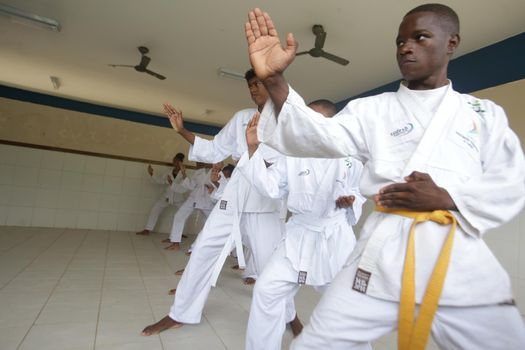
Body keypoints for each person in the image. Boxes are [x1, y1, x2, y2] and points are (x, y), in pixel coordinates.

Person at [245, 4, 525, 350]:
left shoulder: (483, 114)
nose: (406, 47)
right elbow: (316, 134)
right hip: (382, 254)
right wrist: (274, 80)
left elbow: (512, 178)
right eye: (400, 41)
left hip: (457, 257)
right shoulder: (372, 110)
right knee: (313, 345)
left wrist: (447, 198)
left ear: (452, 43)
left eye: (420, 37)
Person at [141, 69, 286, 336]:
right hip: (233, 197)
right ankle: (180, 312)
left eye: (258, 84)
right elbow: (213, 149)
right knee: (203, 251)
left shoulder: (287, 119)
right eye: (250, 85)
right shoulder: (242, 118)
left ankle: (290, 317)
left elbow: (285, 166)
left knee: (273, 265)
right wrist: (182, 130)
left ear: (272, 84)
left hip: (265, 202)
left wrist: (256, 152)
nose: (253, 89)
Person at [238, 100, 365, 350]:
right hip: (298, 234)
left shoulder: (351, 157)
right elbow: (271, 187)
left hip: (334, 236)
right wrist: (253, 150)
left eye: (316, 119)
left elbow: (360, 192)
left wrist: (350, 202)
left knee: (345, 304)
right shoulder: (292, 154)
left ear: (331, 124)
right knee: (266, 290)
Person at [164, 161, 214, 251]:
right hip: (194, 198)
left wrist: (212, 188)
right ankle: (175, 243)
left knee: (211, 222)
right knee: (179, 216)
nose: (200, 163)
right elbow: (191, 185)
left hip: (207, 200)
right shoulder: (199, 171)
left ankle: (205, 247)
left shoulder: (217, 172)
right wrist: (183, 173)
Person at [136, 153, 187, 236]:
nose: (174, 162)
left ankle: (180, 233)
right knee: (155, 209)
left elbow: (185, 186)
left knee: (184, 213)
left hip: (178, 197)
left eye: (175, 161)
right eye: (173, 161)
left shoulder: (184, 173)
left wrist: (172, 182)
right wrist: (152, 173)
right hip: (167, 196)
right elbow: (161, 181)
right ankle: (147, 230)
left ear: (180, 162)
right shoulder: (168, 172)